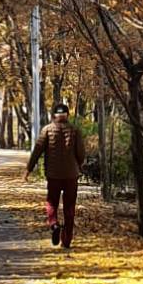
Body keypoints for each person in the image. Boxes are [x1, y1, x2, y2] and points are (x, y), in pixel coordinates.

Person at [25, 102, 86, 250]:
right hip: (71, 175)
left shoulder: (47, 130)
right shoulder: (75, 130)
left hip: (53, 175)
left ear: (54, 115)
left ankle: (54, 224)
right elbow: (81, 153)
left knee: (52, 203)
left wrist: (29, 169)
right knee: (69, 208)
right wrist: (79, 165)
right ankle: (67, 240)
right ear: (67, 115)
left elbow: (37, 150)